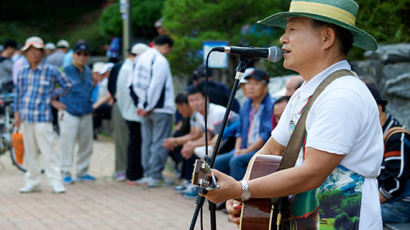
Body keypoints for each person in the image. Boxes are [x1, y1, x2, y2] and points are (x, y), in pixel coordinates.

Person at [203, 0, 383, 229]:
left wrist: (242, 189)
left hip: (340, 219)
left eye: (292, 29)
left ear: (326, 38)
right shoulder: (305, 92)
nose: (282, 39)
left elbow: (312, 174)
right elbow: (270, 150)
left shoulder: (342, 94)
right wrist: (243, 194)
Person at [14, 36, 71, 193]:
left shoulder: (51, 70)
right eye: (29, 51)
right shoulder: (22, 72)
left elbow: (67, 84)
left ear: (42, 53)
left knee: (48, 150)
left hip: (43, 116)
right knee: (30, 152)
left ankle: (55, 181)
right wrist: (16, 114)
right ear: (25, 54)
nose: (33, 54)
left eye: (36, 51)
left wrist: (53, 96)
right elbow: (18, 94)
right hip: (26, 115)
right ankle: (33, 181)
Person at [213, 69, 274, 181]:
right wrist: (237, 149)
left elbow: (266, 133)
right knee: (217, 162)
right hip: (244, 148)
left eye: (255, 84)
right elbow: (240, 131)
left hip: (262, 149)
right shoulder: (246, 104)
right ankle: (220, 198)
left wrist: (246, 151)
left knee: (236, 161)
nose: (250, 87)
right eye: (249, 84)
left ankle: (237, 196)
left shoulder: (271, 105)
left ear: (265, 87)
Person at [130, 35, 175, 187]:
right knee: (158, 142)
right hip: (160, 108)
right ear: (166, 46)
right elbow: (156, 85)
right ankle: (155, 176)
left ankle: (147, 174)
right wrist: (148, 106)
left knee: (147, 142)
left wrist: (141, 105)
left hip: (144, 108)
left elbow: (133, 84)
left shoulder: (140, 58)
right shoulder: (160, 60)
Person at [367, 86, 410, 223]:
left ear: (378, 108)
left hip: (403, 205)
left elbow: (394, 185)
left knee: (358, 215)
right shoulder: (378, 134)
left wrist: (367, 205)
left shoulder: (396, 137)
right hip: (391, 202)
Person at [58, 42, 95, 184]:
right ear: (73, 55)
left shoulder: (87, 71)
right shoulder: (64, 70)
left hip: (85, 112)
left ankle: (82, 171)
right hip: (69, 111)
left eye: (85, 54)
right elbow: (53, 88)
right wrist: (55, 102)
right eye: (79, 53)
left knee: (86, 145)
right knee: (67, 144)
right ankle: (65, 172)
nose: (82, 57)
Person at [111, 43, 149, 183]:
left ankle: (130, 172)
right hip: (130, 111)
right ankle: (131, 173)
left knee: (132, 143)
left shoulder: (128, 67)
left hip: (128, 110)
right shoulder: (129, 68)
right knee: (132, 143)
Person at [163, 92, 198, 193]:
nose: (179, 111)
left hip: (210, 141)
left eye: (179, 108)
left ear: (185, 105)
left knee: (189, 148)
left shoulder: (196, 114)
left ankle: (192, 182)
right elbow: (193, 134)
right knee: (187, 146)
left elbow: (196, 135)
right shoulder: (191, 116)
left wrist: (176, 141)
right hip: (201, 140)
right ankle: (186, 179)